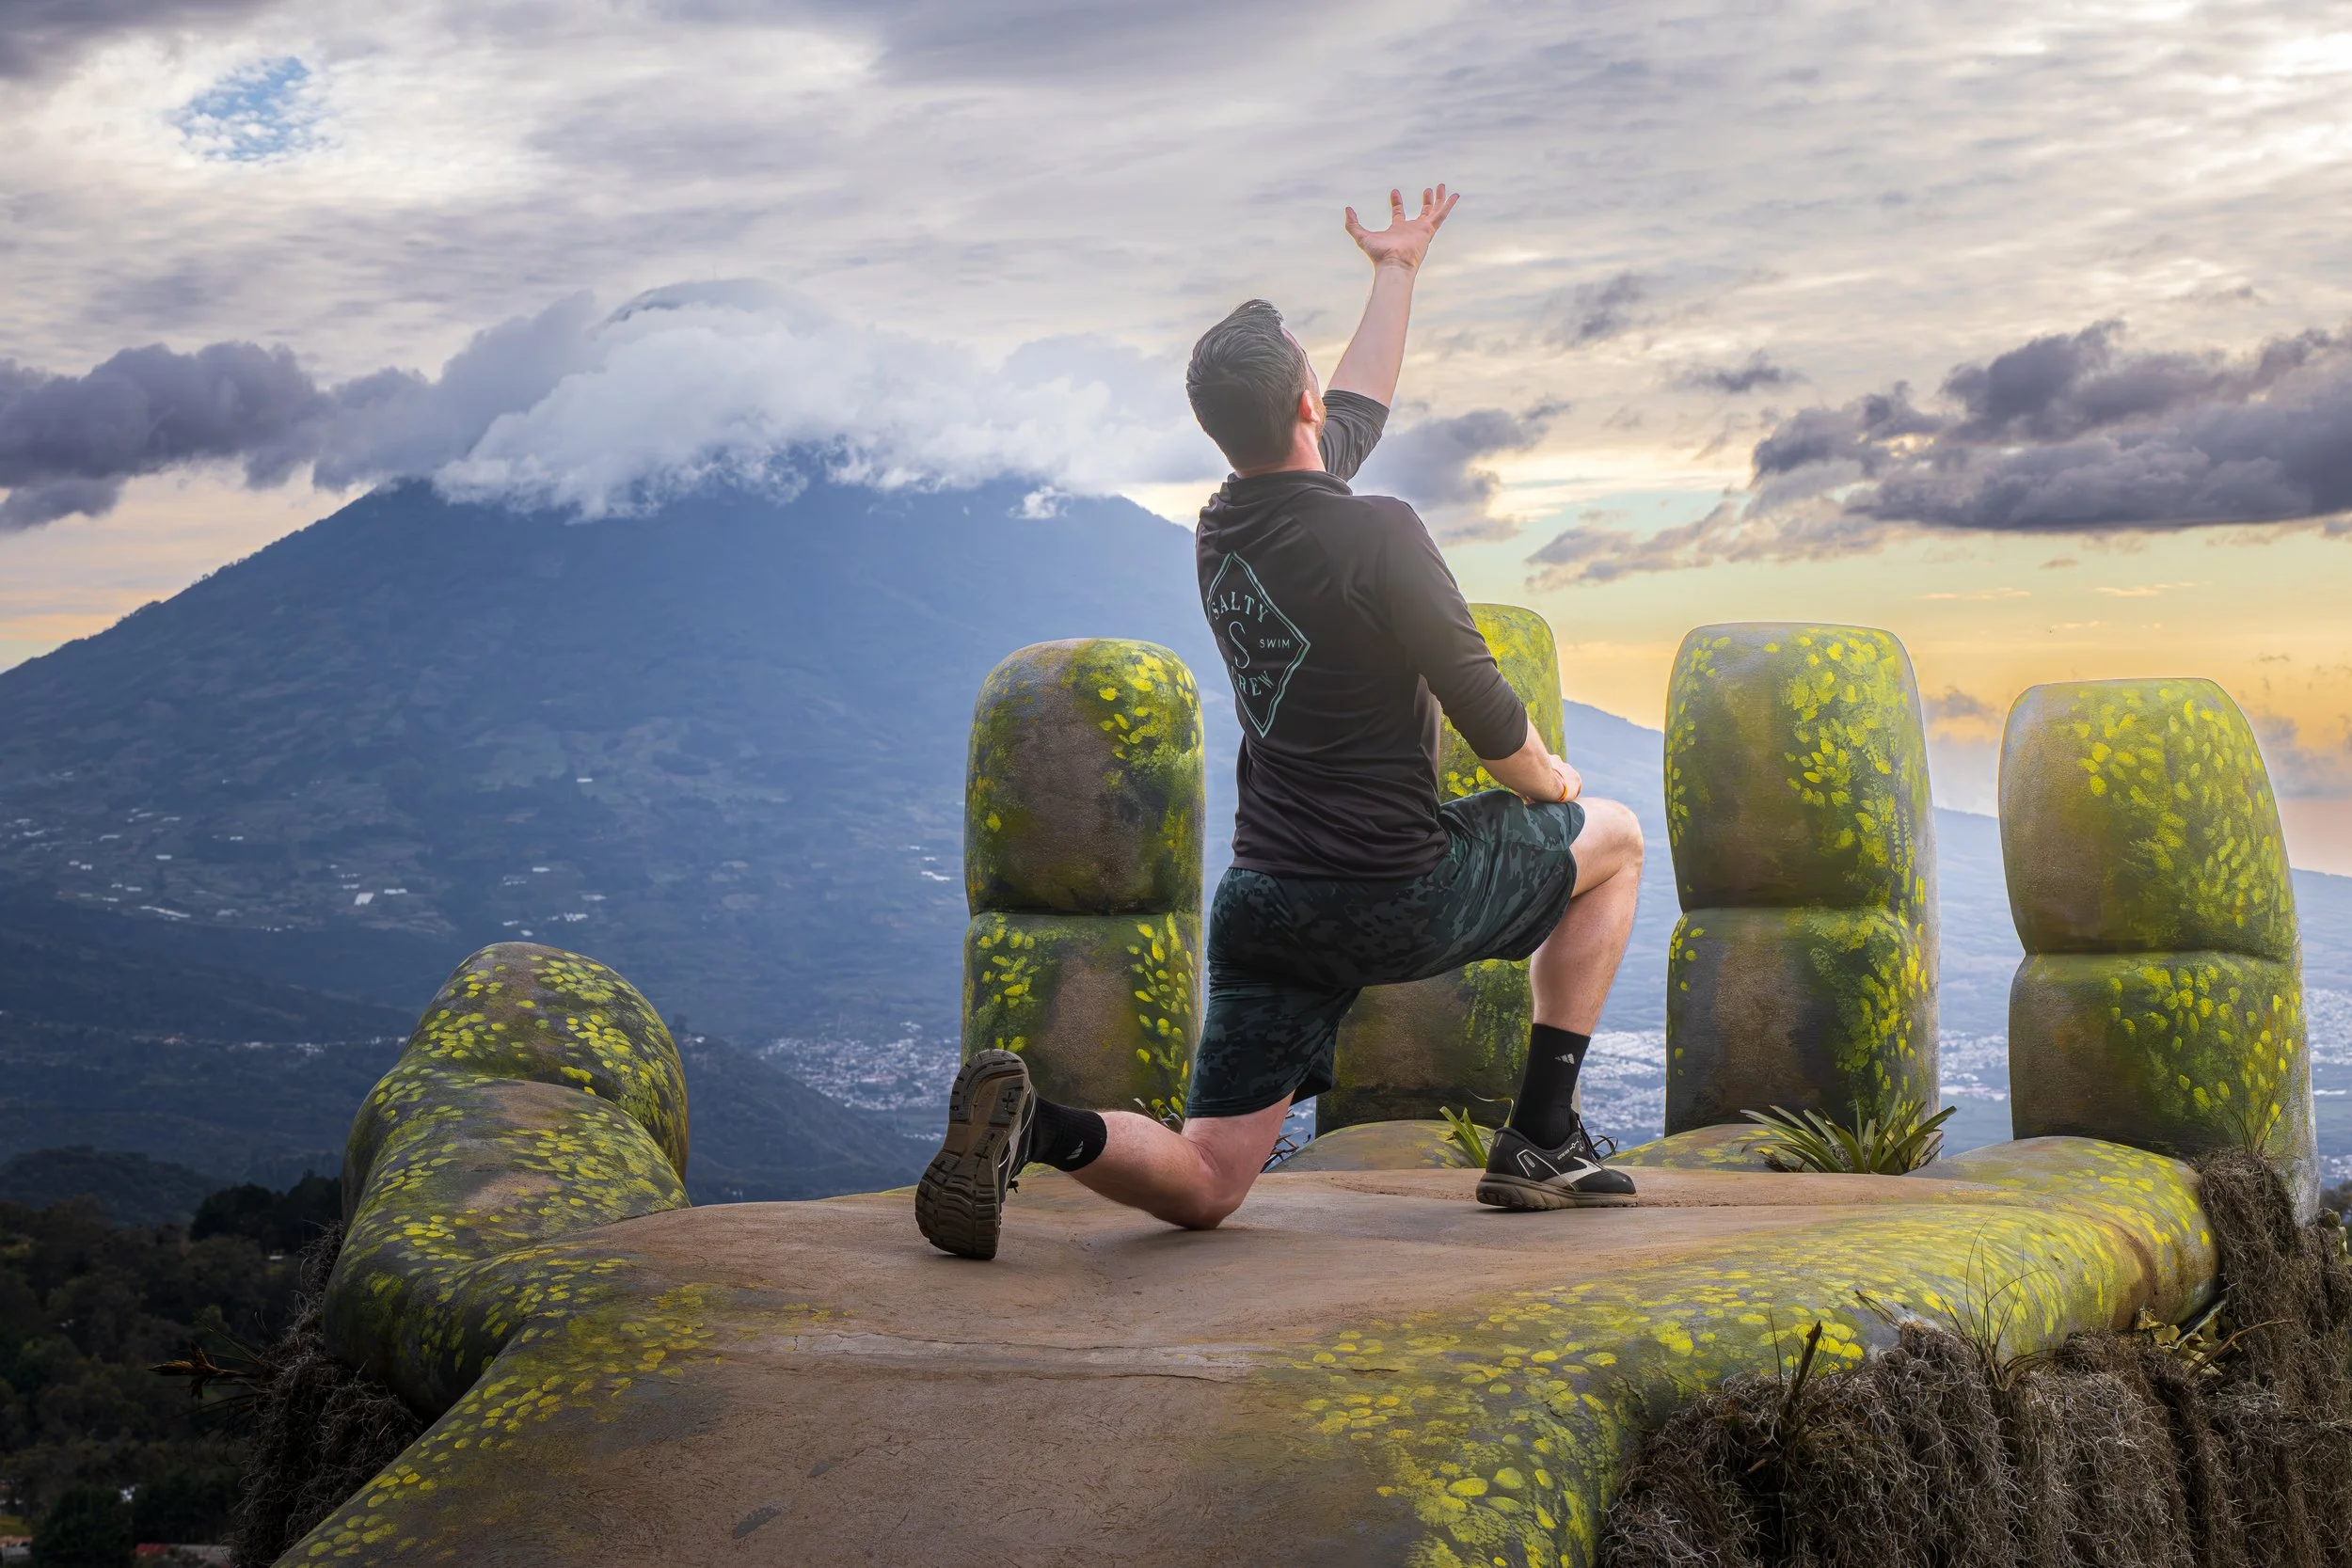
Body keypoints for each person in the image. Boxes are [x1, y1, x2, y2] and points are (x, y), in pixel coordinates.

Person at [917, 184, 1645, 1260]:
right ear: (1304, 401)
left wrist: (1395, 271)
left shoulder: (1223, 528)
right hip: (1395, 889)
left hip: (1267, 898)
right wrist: (1548, 782)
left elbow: (1353, 414)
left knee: (1209, 1181)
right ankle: (1542, 1133)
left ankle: (1043, 1125)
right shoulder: (1380, 533)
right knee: (1618, 842)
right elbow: (1486, 709)